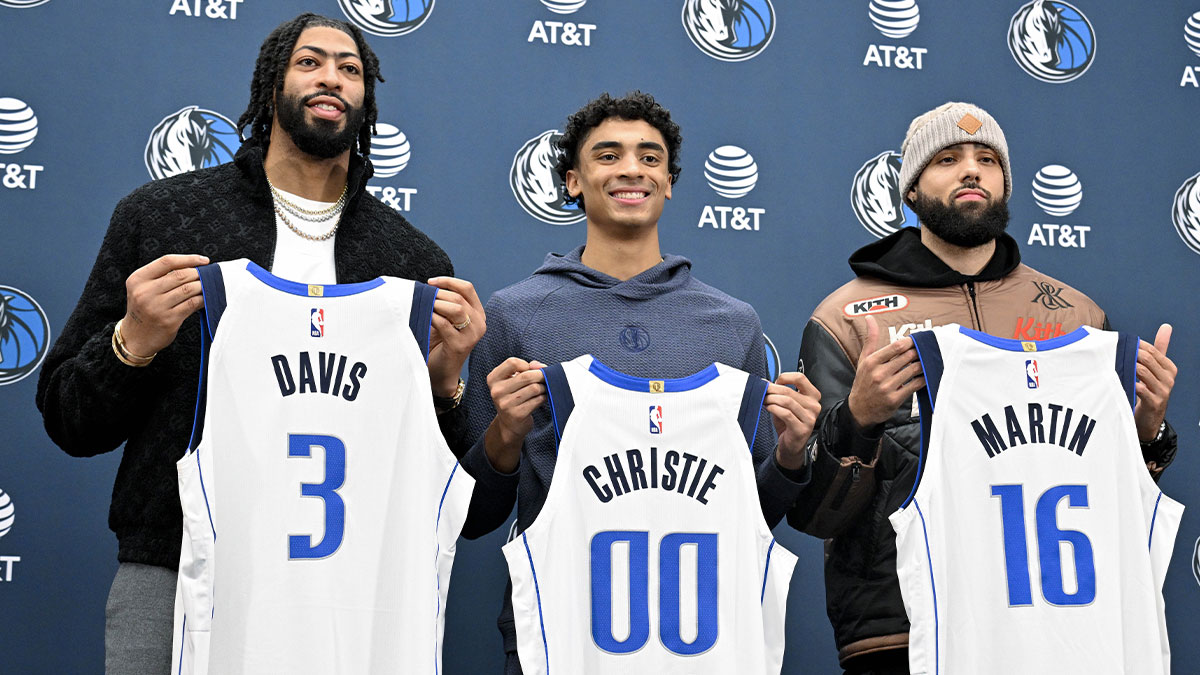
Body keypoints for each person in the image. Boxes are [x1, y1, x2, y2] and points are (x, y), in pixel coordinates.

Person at [35, 13, 484, 674]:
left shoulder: (410, 262)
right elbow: (68, 418)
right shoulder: (163, 219)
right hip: (177, 571)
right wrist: (131, 343)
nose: (331, 76)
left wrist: (447, 385)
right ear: (270, 84)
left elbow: (440, 482)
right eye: (310, 61)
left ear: (367, 99)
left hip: (346, 591)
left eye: (350, 67)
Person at [786, 101, 1179, 675]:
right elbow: (816, 516)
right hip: (905, 629)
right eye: (947, 158)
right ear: (912, 191)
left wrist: (1147, 432)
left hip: (1060, 623)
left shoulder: (1076, 315)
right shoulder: (847, 316)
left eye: (987, 159)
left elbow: (1118, 500)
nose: (971, 170)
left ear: (1005, 183)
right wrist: (859, 419)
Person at [451, 91, 821, 674]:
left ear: (670, 182)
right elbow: (473, 518)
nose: (631, 169)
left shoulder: (730, 323)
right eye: (608, 155)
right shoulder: (516, 314)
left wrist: (794, 456)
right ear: (573, 180)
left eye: (650, 158)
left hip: (709, 637)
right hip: (555, 632)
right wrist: (504, 435)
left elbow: (756, 513)